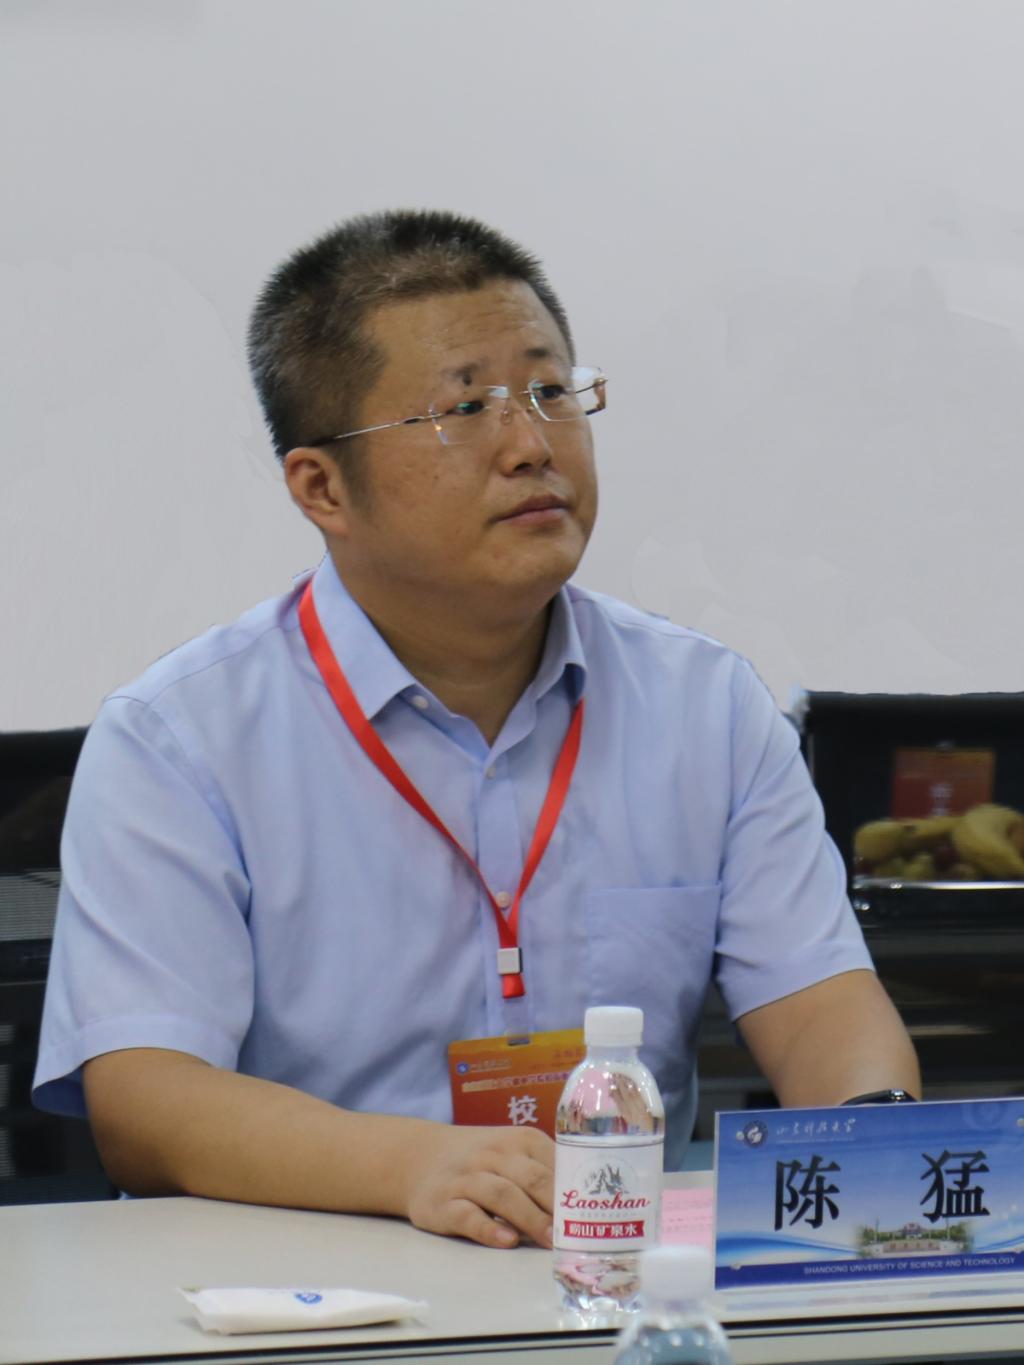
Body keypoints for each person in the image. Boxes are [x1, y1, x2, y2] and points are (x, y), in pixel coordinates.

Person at [33, 210, 919, 1250]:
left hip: (617, 1283)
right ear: (322, 487)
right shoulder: (180, 740)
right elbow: (145, 1099)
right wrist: (414, 1166)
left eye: (552, 393)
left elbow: (819, 1007)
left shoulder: (704, 705)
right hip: (300, 1291)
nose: (532, 446)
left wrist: (877, 1150)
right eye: (463, 410)